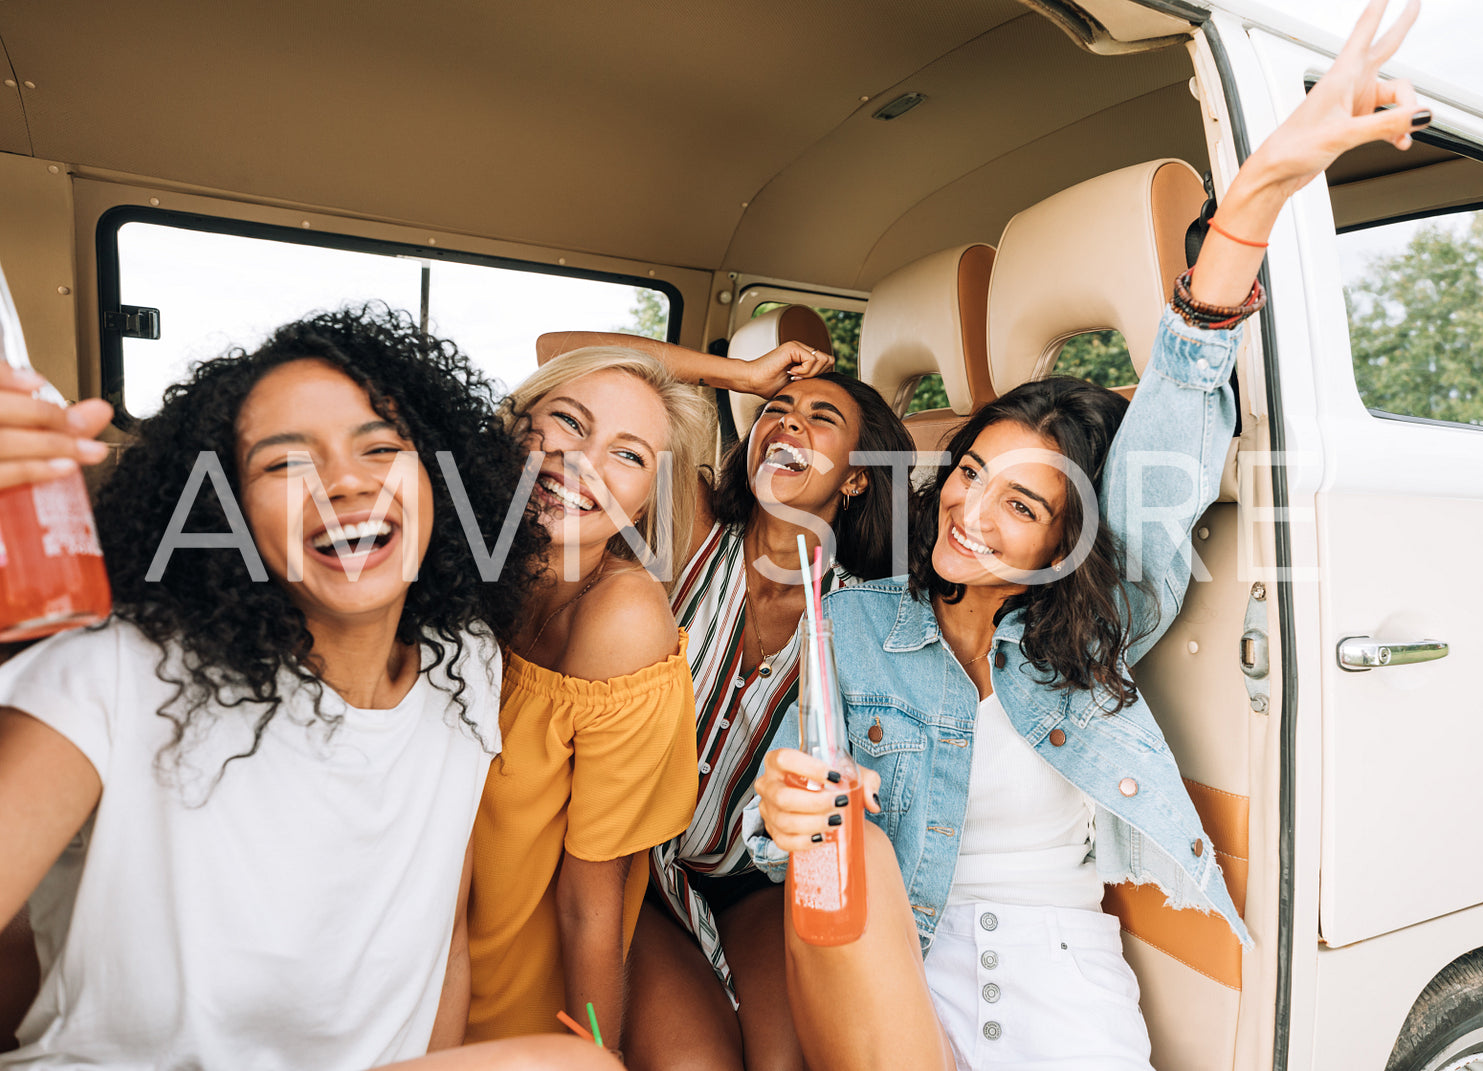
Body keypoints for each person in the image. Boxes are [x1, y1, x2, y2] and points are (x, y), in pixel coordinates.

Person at [748, 3, 1431, 1068]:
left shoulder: (1100, 621)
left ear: (1069, 542)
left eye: (1020, 508)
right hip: (891, 960)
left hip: (1058, 969)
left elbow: (1184, 382)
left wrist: (1257, 189)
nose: (971, 514)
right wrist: (778, 805)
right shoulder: (854, 620)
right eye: (971, 474)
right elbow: (787, 827)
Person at [0, 306, 618, 1070]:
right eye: (284, 463)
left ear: (441, 481)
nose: (345, 483)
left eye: (383, 448)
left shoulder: (468, 663)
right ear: (224, 512)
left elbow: (439, 941)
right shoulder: (122, 667)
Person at [537, 330, 913, 1071]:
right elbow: (564, 352)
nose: (788, 422)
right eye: (775, 409)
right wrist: (740, 373)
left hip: (752, 880)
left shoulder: (869, 617)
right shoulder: (689, 524)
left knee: (782, 1064)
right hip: (632, 868)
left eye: (820, 418)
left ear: (858, 478)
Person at [463, 346, 712, 1053]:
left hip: (511, 976)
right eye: (568, 423)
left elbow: (590, 899)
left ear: (646, 501)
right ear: (516, 427)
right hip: (402, 935)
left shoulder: (621, 619)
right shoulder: (452, 559)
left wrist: (590, 1048)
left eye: (627, 456)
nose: (582, 462)